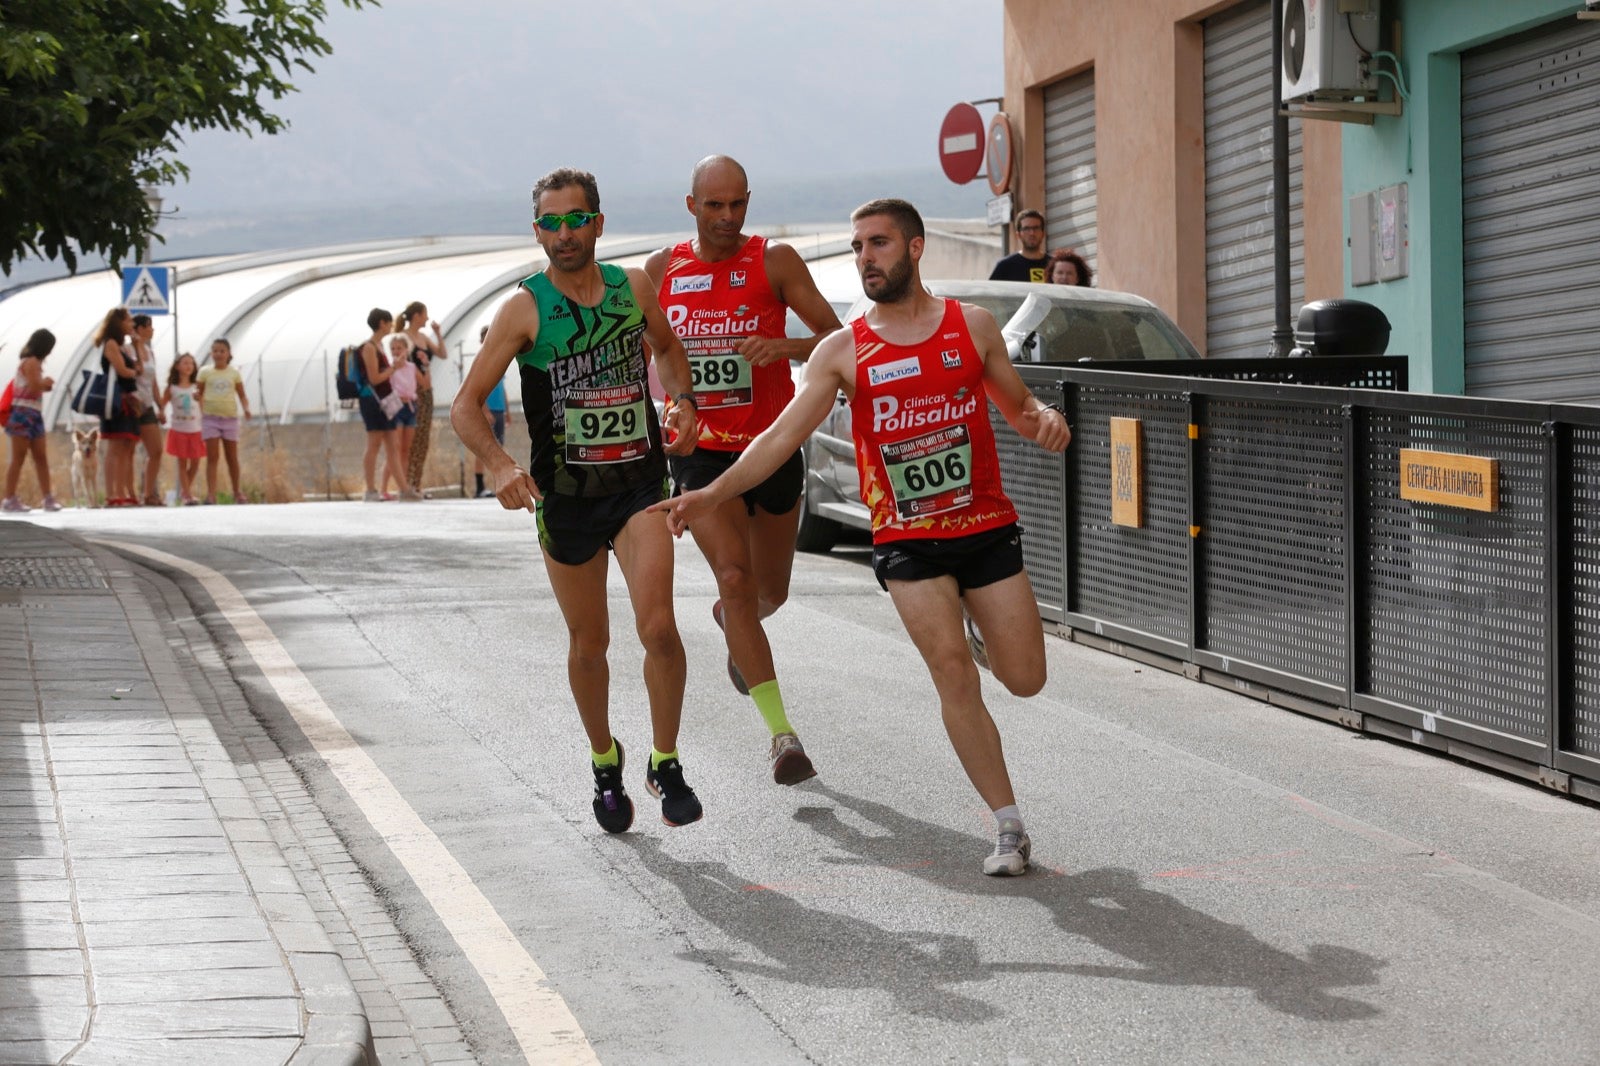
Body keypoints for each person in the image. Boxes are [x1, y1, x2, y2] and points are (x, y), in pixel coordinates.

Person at [657, 198, 1072, 876]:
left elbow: (1020, 409)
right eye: (856, 247)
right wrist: (709, 491)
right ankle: (1007, 826)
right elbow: (779, 436)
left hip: (985, 526)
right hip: (907, 540)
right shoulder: (843, 351)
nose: (864, 258)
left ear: (914, 248)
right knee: (952, 675)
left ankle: (981, 629)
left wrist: (1044, 420)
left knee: (1025, 678)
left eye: (877, 243)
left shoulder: (973, 327)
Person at [450, 166, 703, 834]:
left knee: (659, 629)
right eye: (551, 223)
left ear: (598, 222)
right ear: (538, 231)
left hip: (640, 487)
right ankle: (603, 759)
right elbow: (466, 406)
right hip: (565, 499)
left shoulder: (632, 287)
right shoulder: (523, 309)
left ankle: (666, 761)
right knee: (591, 644)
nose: (564, 233)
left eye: (575, 219)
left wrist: (682, 402)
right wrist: (500, 464)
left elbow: (670, 351)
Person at [643, 154, 843, 786]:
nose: (727, 218)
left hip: (772, 447)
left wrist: (782, 347)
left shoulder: (774, 261)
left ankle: (737, 623)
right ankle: (783, 736)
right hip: (701, 454)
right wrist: (675, 408)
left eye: (737, 205)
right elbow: (642, 359)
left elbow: (838, 338)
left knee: (768, 593)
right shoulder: (660, 271)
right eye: (714, 206)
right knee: (732, 575)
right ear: (691, 205)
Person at [2, 328, 62, 512]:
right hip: (23, 413)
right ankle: (9, 497)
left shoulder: (35, 364)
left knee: (40, 456)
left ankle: (48, 497)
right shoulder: (30, 362)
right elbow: (35, 386)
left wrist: (44, 385)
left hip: (34, 413)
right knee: (18, 457)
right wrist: (47, 383)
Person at [93, 307, 142, 507]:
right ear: (119, 323)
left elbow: (139, 366)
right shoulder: (111, 343)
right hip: (117, 399)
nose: (131, 324)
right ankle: (111, 493)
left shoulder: (123, 346)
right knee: (114, 447)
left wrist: (137, 347)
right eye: (128, 320)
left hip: (127, 398)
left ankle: (120, 492)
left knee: (124, 448)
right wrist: (134, 372)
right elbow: (123, 370)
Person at [355, 308, 404, 502]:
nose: (391, 325)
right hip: (372, 401)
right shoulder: (369, 347)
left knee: (393, 444)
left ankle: (404, 488)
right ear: (382, 323)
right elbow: (374, 378)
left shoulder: (380, 346)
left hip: (384, 401)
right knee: (374, 443)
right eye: (389, 322)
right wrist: (394, 368)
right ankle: (370, 489)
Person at [397, 301, 445, 498]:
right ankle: (407, 484)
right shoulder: (404, 338)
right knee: (411, 440)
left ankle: (416, 483)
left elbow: (442, 353)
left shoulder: (424, 337)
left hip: (427, 392)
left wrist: (438, 333)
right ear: (416, 315)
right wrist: (422, 381)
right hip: (413, 393)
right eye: (425, 314)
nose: (427, 318)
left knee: (423, 439)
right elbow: (406, 365)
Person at [198, 338, 252, 504]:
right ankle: (211, 494)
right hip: (210, 418)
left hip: (230, 419)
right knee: (212, 457)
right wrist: (199, 404)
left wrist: (246, 408)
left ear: (229, 354)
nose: (218, 354)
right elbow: (198, 392)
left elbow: (241, 394)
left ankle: (237, 492)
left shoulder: (234, 373)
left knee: (232, 457)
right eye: (215, 351)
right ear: (211, 354)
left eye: (222, 351)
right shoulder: (204, 372)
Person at [129, 313, 166, 505]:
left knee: (156, 451)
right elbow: (134, 373)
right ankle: (128, 493)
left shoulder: (150, 352)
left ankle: (149, 493)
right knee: (128, 450)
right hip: (133, 404)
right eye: (149, 326)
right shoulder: (128, 350)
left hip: (148, 405)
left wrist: (160, 406)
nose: (152, 330)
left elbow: (153, 382)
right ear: (139, 329)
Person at [472, 325, 512, 499]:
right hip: (487, 411)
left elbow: (502, 388)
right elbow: (476, 389)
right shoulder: (480, 361)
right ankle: (479, 487)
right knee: (483, 449)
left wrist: (507, 410)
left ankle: (499, 484)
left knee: (499, 448)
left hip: (499, 409)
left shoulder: (499, 359)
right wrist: (484, 410)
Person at [383, 332, 423, 500]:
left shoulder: (412, 367)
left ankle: (403, 488)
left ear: (407, 349)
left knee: (405, 451)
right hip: (396, 407)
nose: (396, 351)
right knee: (395, 450)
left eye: (399, 348)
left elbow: (425, 384)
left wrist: (425, 364)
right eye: (392, 348)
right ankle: (383, 488)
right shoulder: (390, 368)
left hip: (411, 406)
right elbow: (386, 387)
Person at [161, 352, 205, 505]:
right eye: (185, 363)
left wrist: (201, 400)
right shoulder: (172, 388)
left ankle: (184, 491)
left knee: (195, 462)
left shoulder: (196, 387)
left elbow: (203, 406)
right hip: (179, 430)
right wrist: (161, 414)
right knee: (182, 463)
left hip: (196, 429)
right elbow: (163, 403)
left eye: (191, 363)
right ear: (177, 367)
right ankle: (187, 494)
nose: (188, 366)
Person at [988, 210, 1049, 283]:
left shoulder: (1054, 265)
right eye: (1026, 229)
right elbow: (991, 292)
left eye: (1036, 228)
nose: (1032, 233)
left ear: (1043, 233)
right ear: (1018, 235)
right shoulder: (1005, 266)